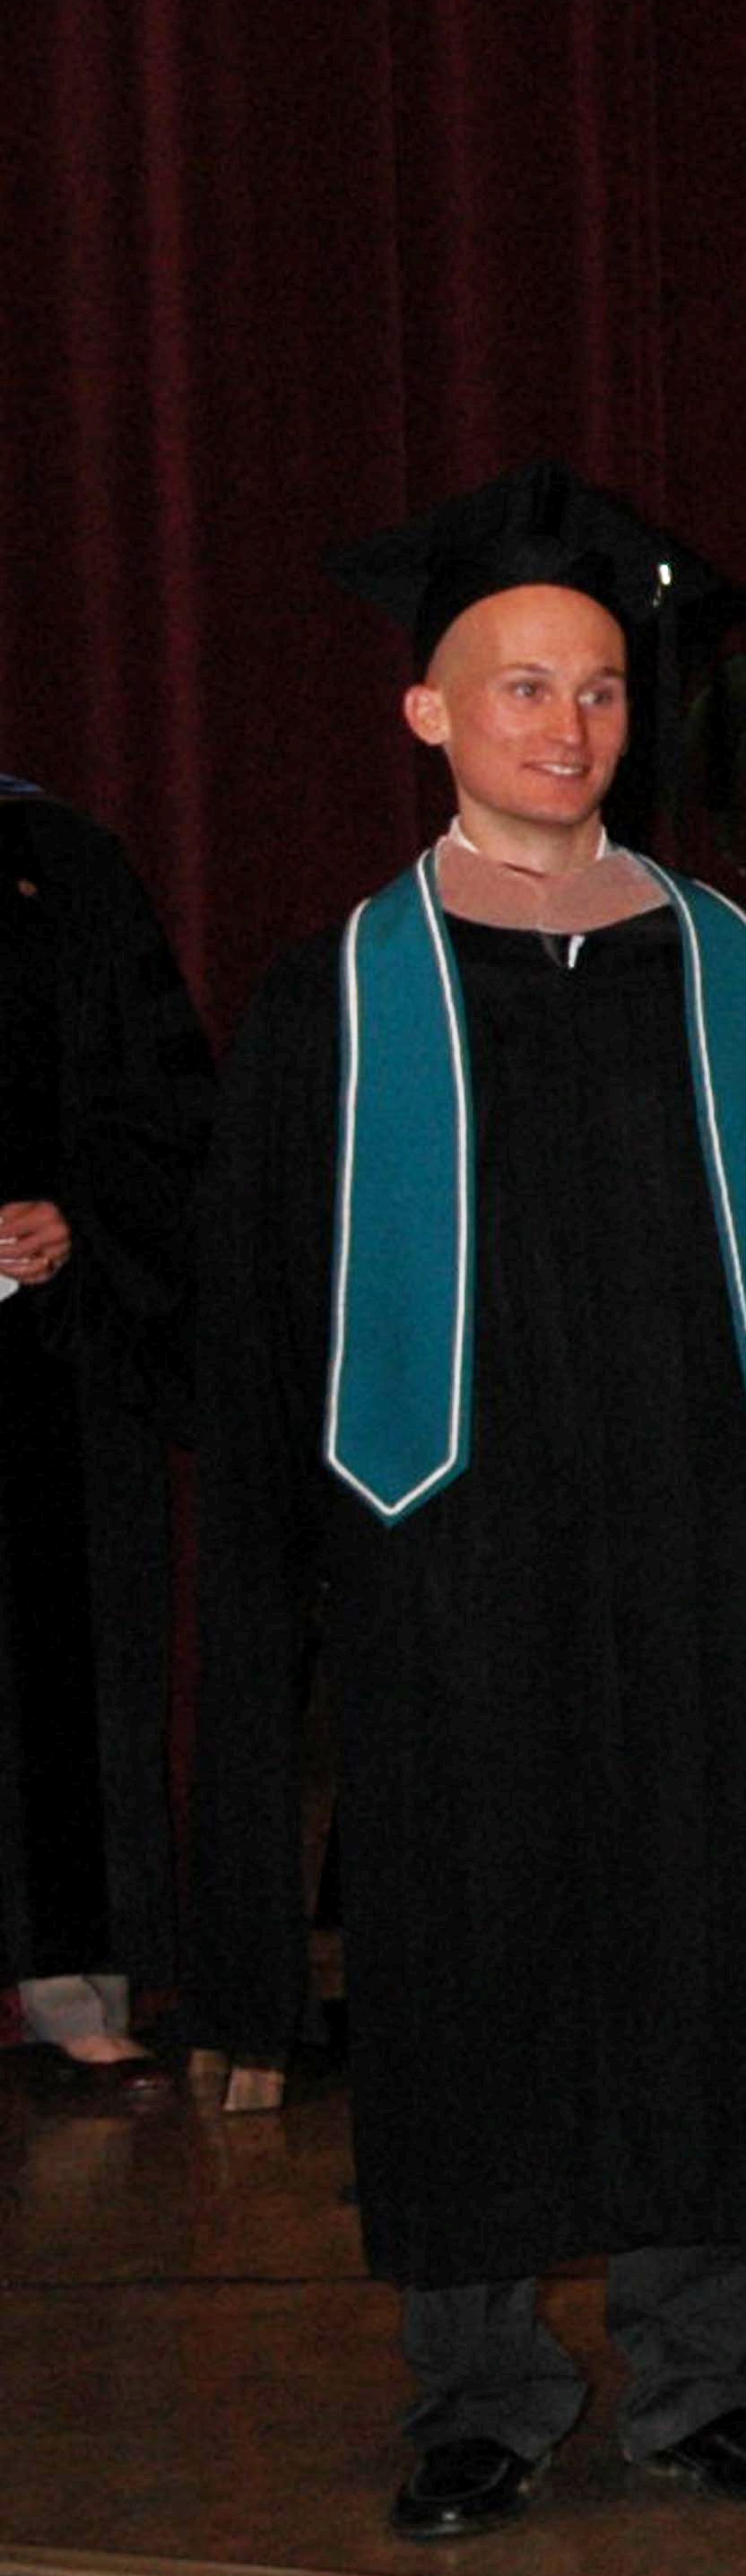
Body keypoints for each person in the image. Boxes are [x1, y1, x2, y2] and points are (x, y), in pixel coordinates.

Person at [195, 466, 746, 2543]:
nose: (563, 724)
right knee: (467, 1961)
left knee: (713, 1953)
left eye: (593, 688)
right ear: (428, 715)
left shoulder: (735, 968)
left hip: (699, 1551)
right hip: (447, 1557)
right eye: (515, 686)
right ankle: (473, 2388)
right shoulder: (339, 995)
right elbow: (262, 1310)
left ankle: (706, 2374)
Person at [0, 759, 208, 2084]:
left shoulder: (56, 854)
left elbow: (161, 1098)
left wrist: (79, 1208)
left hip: (41, 1346)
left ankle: (66, 1968)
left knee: (56, 1653)